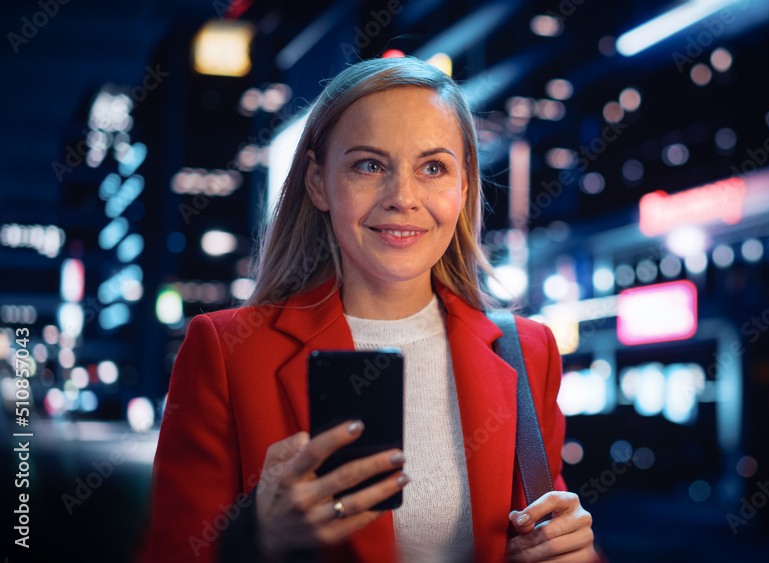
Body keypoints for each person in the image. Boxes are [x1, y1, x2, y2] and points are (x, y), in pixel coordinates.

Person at [140, 56, 597, 563]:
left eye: (433, 168)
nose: (403, 197)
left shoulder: (528, 351)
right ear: (318, 182)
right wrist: (256, 537)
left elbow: (549, 532)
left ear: (463, 186)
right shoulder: (226, 351)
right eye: (369, 165)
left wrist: (572, 553)